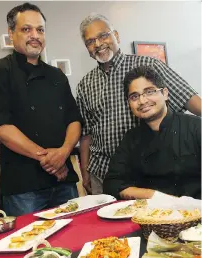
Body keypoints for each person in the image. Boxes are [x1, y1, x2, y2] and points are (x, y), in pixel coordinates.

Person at [76, 13, 201, 195]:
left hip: (146, 171)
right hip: (102, 173)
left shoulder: (147, 64)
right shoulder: (85, 84)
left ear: (116, 36)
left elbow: (190, 99)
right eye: (90, 41)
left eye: (103, 35)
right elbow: (86, 134)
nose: (98, 44)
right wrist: (85, 172)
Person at [0, 2, 82, 216]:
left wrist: (64, 152)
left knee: (74, 241)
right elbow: (0, 128)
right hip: (23, 188)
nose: (35, 35)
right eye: (26, 29)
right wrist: (50, 160)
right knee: (30, 247)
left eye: (40, 30)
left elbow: (74, 120)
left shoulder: (57, 76)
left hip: (64, 182)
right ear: (11, 34)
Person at [103, 66, 201, 199]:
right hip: (150, 214)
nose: (142, 101)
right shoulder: (131, 139)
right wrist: (153, 195)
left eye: (149, 92)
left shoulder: (196, 127)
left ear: (165, 93)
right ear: (128, 103)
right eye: (134, 96)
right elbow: (112, 184)